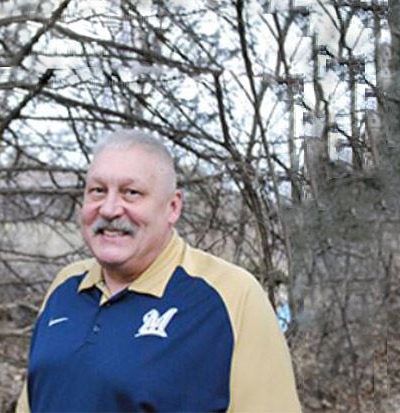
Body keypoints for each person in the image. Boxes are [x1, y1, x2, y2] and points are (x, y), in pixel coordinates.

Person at [16, 130, 301, 412]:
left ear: (173, 207)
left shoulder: (231, 296)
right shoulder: (65, 287)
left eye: (131, 193)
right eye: (98, 191)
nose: (110, 208)